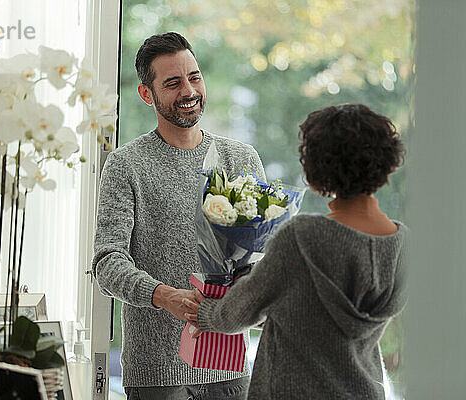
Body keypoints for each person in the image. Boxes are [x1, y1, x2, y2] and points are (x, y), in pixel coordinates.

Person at [183, 104, 408, 399]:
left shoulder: (301, 238)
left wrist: (203, 313)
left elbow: (237, 314)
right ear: (385, 162)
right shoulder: (404, 244)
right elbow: (320, 317)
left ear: (317, 164)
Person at [91, 32, 265, 399]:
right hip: (157, 375)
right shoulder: (127, 165)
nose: (189, 91)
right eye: (173, 83)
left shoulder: (241, 159)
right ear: (146, 94)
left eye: (194, 77)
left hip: (229, 365)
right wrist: (163, 295)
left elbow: (259, 258)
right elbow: (107, 263)